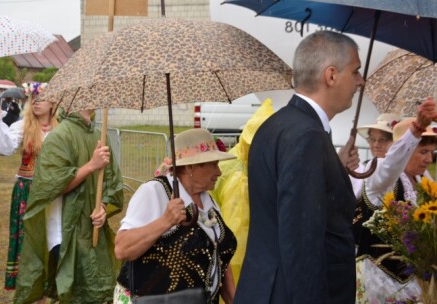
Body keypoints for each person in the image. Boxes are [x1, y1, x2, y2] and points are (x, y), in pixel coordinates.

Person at [235, 31, 364, 303]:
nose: (360, 82)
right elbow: (302, 241)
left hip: (266, 287)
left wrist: (333, 168)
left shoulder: (278, 124)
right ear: (331, 75)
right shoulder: (308, 135)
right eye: (355, 72)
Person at [114, 128, 238, 304]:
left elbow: (220, 259)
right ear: (190, 167)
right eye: (213, 164)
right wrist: (166, 221)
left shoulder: (207, 200)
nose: (219, 172)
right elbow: (122, 248)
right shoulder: (155, 192)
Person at [14, 108, 124, 303]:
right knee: (72, 291)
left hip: (90, 229)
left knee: (94, 290)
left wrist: (103, 208)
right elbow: (51, 186)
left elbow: (110, 183)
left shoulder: (100, 136)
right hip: (65, 232)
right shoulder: (59, 137)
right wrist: (91, 165)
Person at [355, 101, 437, 303]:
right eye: (422, 152)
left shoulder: (424, 179)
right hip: (378, 278)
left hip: (414, 280)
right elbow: (391, 166)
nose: (428, 159)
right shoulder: (381, 175)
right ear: (405, 150)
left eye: (431, 153)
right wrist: (416, 129)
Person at [0, 82, 58, 290]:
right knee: (28, 242)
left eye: (41, 98)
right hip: (27, 191)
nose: (36, 103)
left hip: (53, 194)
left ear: (53, 103)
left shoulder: (60, 129)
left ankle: (46, 288)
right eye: (33, 98)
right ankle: (30, 288)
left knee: (50, 239)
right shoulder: (23, 126)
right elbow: (1, 147)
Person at [209, 98, 274, 287]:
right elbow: (210, 203)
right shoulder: (227, 165)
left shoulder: (270, 166)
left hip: (260, 251)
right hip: (226, 248)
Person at [351, 113, 401, 199]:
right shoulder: (362, 169)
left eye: (382, 140)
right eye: (372, 139)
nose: (376, 145)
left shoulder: (405, 170)